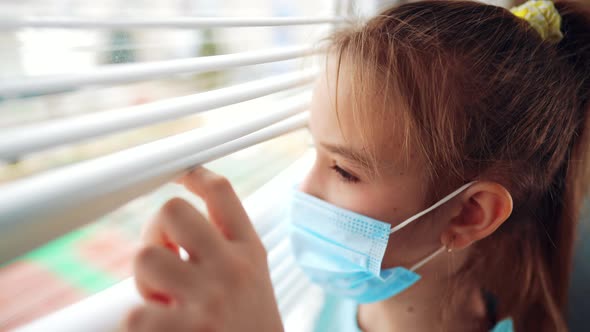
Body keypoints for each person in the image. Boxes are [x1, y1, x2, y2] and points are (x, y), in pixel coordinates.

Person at [122, 1, 590, 331]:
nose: (305, 190)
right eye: (315, 153)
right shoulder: (344, 304)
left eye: (345, 171)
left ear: (468, 214)